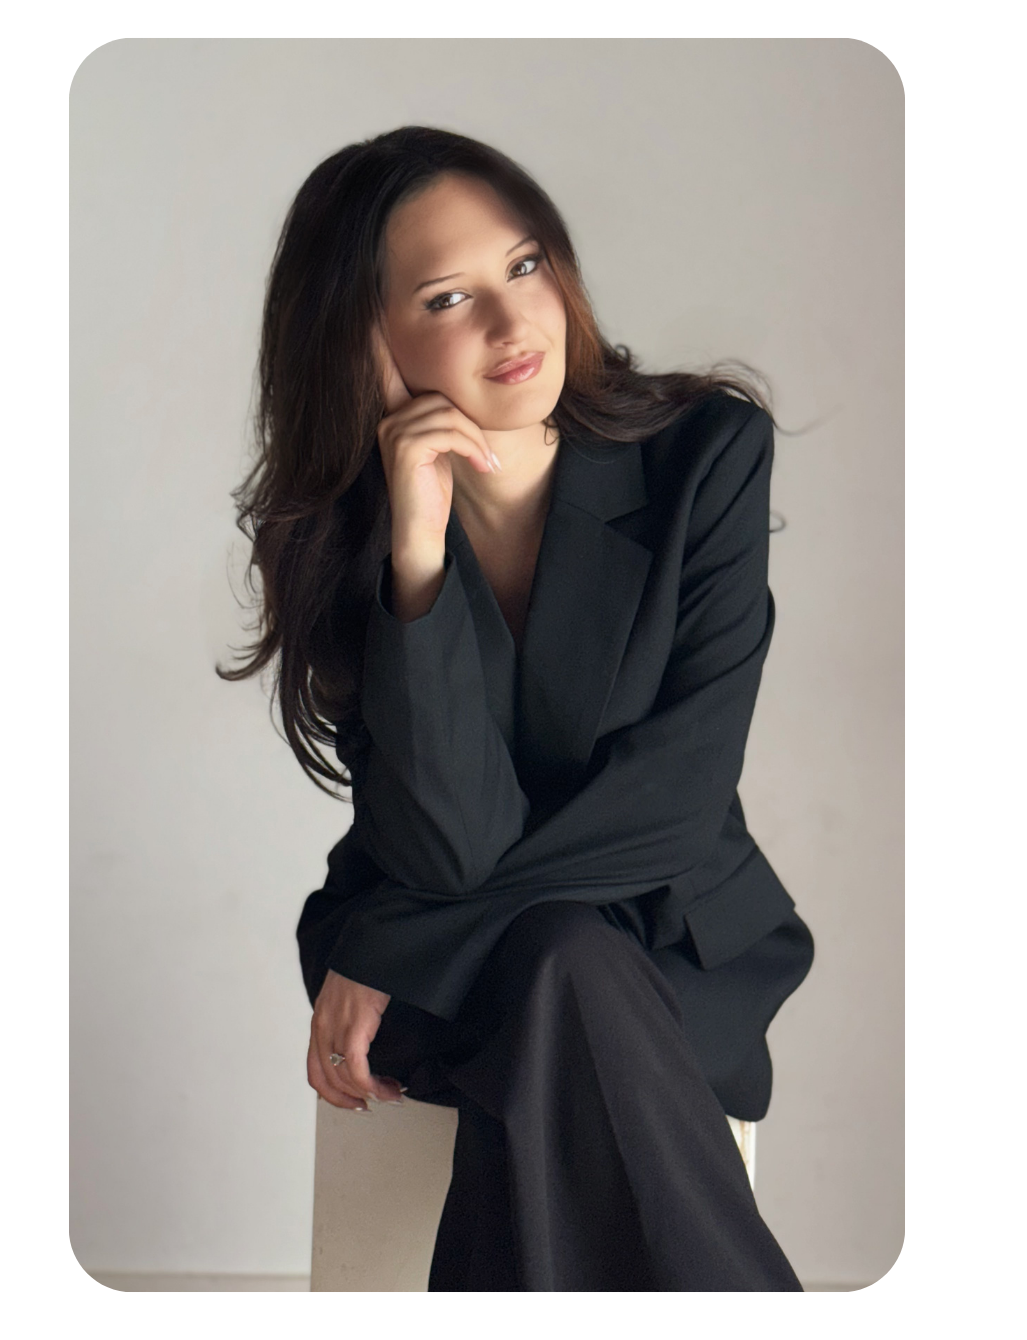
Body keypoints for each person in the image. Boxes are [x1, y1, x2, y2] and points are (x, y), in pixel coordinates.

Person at [218, 126, 815, 1293]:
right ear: (371, 344)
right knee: (554, 966)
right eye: (448, 296)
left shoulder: (704, 456)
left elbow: (673, 812)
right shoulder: (350, 547)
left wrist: (400, 941)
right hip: (452, 989)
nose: (511, 323)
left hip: (654, 959)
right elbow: (447, 835)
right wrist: (418, 560)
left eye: (527, 265)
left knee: (562, 970)